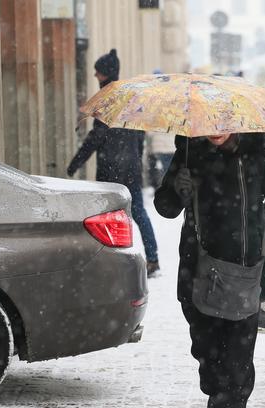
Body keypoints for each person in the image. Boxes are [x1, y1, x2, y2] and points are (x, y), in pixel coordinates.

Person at [154, 132, 265, 408]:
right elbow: (165, 207)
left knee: (239, 344)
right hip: (199, 265)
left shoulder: (258, 154)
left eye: (224, 122)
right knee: (206, 345)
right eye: (210, 122)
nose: (216, 128)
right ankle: (214, 388)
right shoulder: (189, 152)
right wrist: (177, 191)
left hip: (245, 263)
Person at [67, 49, 160, 277]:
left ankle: (110, 260)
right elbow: (139, 137)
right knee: (138, 213)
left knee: (107, 217)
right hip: (130, 169)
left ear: (106, 73)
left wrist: (76, 162)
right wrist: (135, 158)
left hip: (111, 168)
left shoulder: (107, 100)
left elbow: (95, 138)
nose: (95, 76)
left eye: (98, 72)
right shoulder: (129, 99)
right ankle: (153, 257)